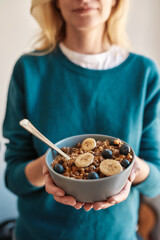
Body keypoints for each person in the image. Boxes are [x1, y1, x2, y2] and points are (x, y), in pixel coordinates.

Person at [2, 0, 160, 240]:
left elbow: (155, 181)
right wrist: (47, 167)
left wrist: (134, 168)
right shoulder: (29, 69)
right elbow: (14, 178)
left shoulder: (144, 73)